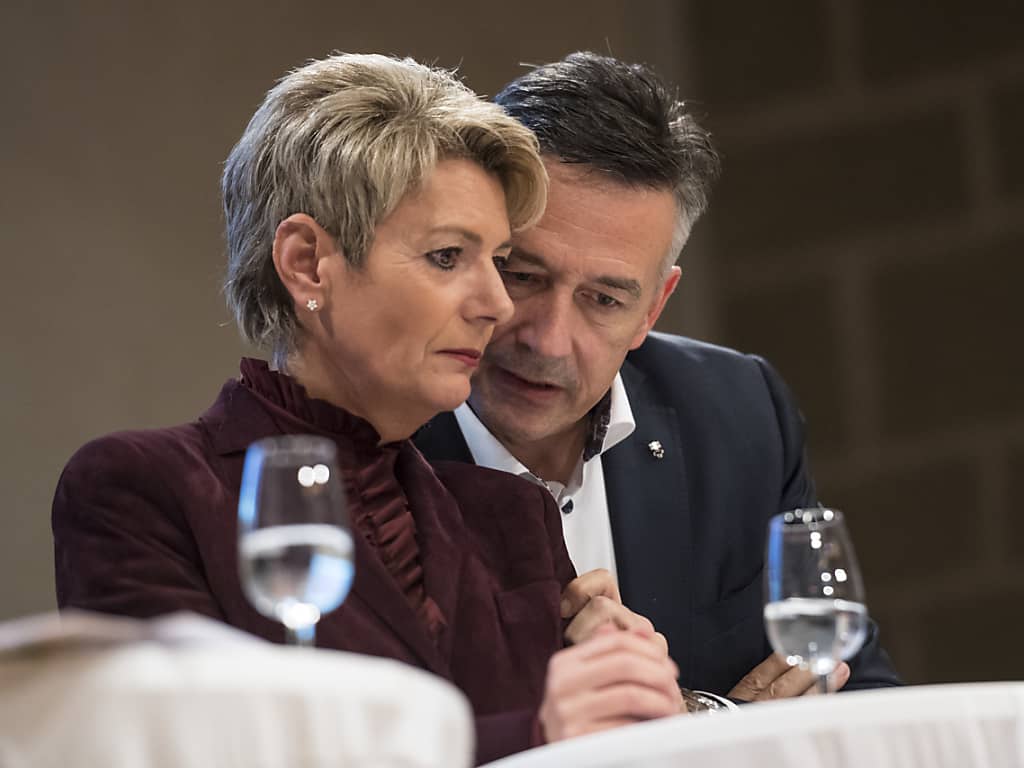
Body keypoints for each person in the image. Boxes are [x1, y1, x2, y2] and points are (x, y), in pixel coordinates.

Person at [51, 53, 683, 764]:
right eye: (448, 256)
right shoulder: (144, 489)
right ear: (306, 262)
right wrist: (535, 738)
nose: (497, 305)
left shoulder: (513, 518)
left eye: (499, 261)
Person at [415, 52, 901, 700]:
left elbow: (860, 689)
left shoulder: (738, 413)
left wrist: (707, 721)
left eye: (603, 299)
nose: (547, 339)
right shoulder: (373, 438)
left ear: (653, 307)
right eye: (522, 275)